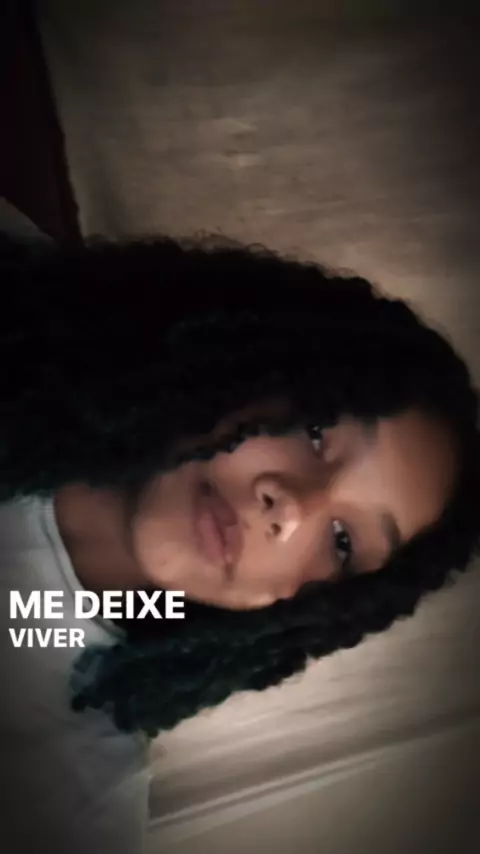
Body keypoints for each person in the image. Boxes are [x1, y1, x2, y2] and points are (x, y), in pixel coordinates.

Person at [0, 231, 479, 852]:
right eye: (315, 430)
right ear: (255, 363)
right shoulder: (22, 304)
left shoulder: (66, 794)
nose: (293, 509)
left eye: (342, 543)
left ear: (307, 603)